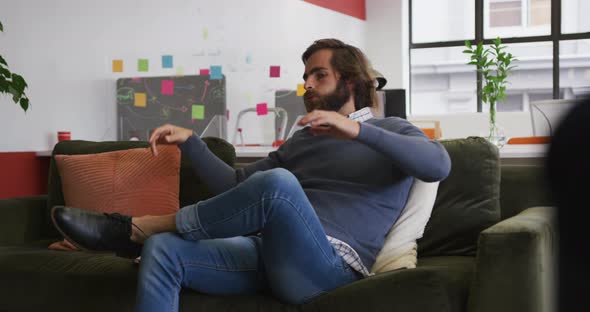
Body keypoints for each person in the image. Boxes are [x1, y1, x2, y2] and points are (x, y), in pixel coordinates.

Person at [51, 38, 451, 311]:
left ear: (349, 82)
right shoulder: (304, 141)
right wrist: (192, 142)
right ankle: (150, 235)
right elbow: (238, 189)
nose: (306, 85)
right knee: (165, 251)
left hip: (328, 268)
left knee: (278, 186)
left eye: (319, 75)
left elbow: (438, 166)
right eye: (305, 77)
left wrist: (359, 130)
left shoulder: (393, 131)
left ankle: (137, 228)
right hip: (267, 254)